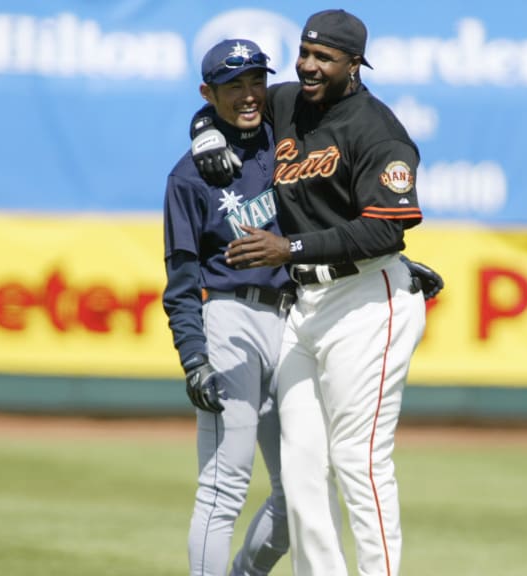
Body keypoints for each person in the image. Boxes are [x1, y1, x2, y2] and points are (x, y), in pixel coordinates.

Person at [190, 10, 442, 576]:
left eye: (324, 57)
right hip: (306, 308)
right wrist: (203, 131)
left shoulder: (378, 130)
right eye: (305, 52)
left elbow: (386, 228)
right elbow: (227, 104)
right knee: (302, 470)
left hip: (365, 303)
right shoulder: (287, 103)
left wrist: (291, 251)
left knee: (359, 460)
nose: (309, 65)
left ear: (354, 65)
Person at [161, 38, 294, 576]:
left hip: (292, 320)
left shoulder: (288, 140)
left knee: (300, 493)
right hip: (228, 316)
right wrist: (194, 356)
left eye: (256, 80)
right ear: (207, 93)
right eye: (232, 85)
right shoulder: (188, 177)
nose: (248, 94)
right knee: (224, 486)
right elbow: (181, 280)